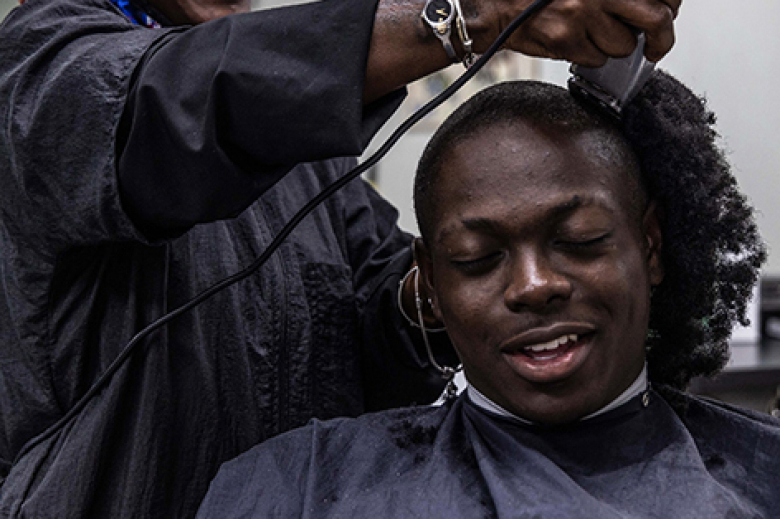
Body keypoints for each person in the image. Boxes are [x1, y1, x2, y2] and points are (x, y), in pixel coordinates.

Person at [0, 0, 682, 516]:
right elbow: (180, 103)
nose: (536, 282)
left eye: (581, 239)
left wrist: (463, 281)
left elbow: (380, 320)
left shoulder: (298, 161)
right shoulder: (39, 75)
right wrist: (466, 15)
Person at [195, 73, 779, 518]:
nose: (533, 285)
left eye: (579, 241)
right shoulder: (299, 487)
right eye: (478, 259)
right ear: (429, 284)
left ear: (649, 246)